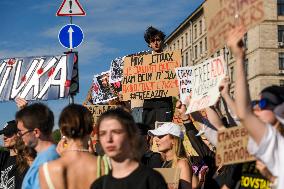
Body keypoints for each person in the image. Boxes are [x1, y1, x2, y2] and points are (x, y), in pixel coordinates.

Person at [227, 25, 284, 189]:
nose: (256, 108)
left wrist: (239, 58)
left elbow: (243, 113)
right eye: (255, 103)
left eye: (264, 103)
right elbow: (242, 113)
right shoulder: (275, 143)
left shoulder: (276, 141)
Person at [90, 108, 167, 189]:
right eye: (102, 133)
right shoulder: (98, 185)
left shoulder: (152, 180)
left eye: (116, 132)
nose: (108, 139)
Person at [38, 104, 97, 189]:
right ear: (90, 130)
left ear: (62, 130)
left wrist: (59, 157)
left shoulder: (46, 170)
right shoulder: (105, 164)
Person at [16, 103, 59, 189]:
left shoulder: (47, 162)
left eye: (21, 132)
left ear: (36, 132)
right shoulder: (49, 155)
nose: (19, 136)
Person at [142, 26, 173, 129]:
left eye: (158, 40)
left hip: (164, 104)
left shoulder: (171, 61)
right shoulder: (142, 62)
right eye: (153, 40)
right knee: (147, 135)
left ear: (162, 41)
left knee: (164, 132)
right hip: (149, 105)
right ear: (149, 44)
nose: (155, 43)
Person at [148, 122, 192, 189]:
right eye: (156, 136)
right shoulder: (163, 162)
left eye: (161, 136)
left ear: (174, 140)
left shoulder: (182, 163)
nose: (156, 139)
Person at [0, 120, 32, 189]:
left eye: (8, 134)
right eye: (4, 134)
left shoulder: (27, 159)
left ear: (19, 135)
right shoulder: (3, 157)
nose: (4, 137)